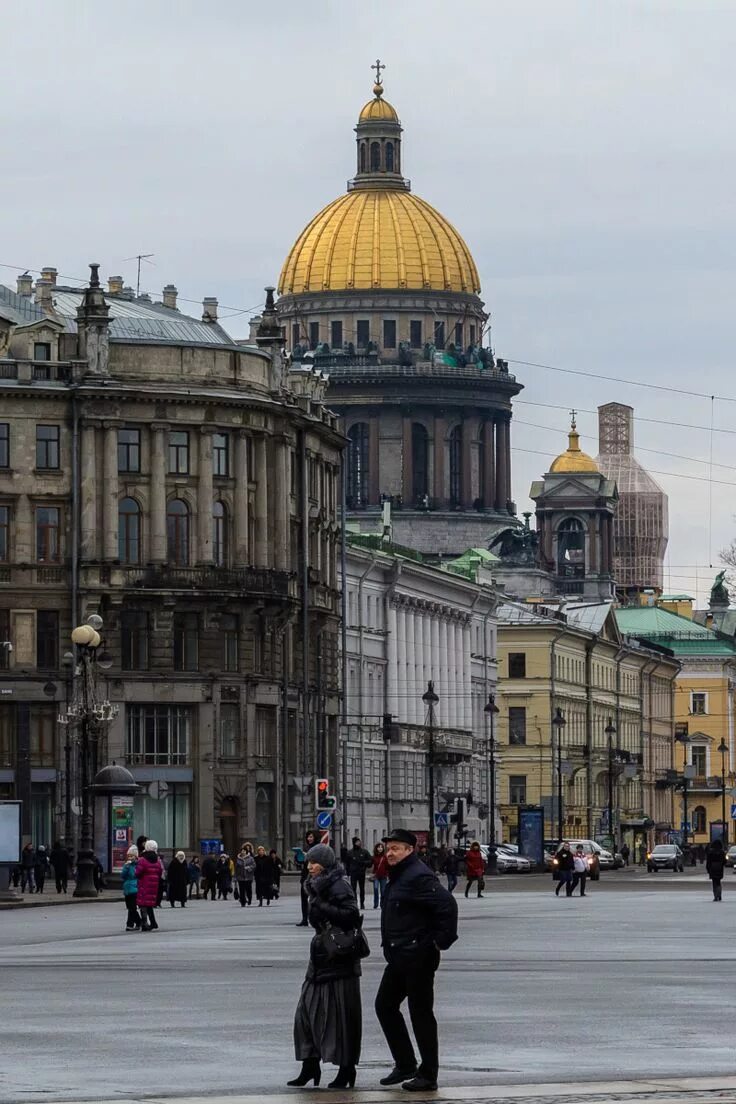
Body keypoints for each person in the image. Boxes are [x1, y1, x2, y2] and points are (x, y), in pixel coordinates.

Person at [375, 828, 458, 1093]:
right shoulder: (399, 876)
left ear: (410, 850)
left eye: (396, 848)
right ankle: (406, 1063)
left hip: (418, 957)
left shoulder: (418, 876)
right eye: (388, 848)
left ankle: (428, 1074)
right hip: (400, 955)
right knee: (385, 1006)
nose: (390, 853)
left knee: (420, 1014)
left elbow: (447, 906)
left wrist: (437, 942)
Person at [288, 843, 363, 1090]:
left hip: (339, 956)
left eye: (314, 862)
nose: (309, 867)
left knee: (341, 1016)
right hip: (321, 956)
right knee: (306, 1013)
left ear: (326, 864)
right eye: (308, 862)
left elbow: (352, 915)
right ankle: (310, 1065)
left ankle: (346, 1069)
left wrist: (321, 906)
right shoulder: (316, 886)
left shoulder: (339, 884)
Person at [136, 840, 164, 932]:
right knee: (149, 904)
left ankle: (144, 923)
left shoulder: (143, 860)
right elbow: (160, 871)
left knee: (143, 904)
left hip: (144, 884)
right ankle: (153, 922)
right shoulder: (157, 860)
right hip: (154, 885)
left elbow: (138, 873)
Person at [298, 830, 318, 926]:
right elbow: (300, 862)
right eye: (308, 837)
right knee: (303, 898)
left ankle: (315, 918)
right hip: (305, 875)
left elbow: (320, 860)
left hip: (315, 876)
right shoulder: (305, 847)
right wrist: (298, 857)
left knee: (315, 898)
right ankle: (304, 919)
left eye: (311, 836)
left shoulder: (318, 847)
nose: (309, 839)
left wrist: (308, 856)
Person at [348, 837, 371, 909]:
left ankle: (362, 903)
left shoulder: (364, 852)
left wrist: (364, 863)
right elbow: (347, 863)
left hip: (361, 872)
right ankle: (354, 903)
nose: (359, 843)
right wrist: (348, 871)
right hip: (353, 873)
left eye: (359, 841)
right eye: (357, 842)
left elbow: (370, 861)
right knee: (353, 889)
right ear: (354, 843)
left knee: (362, 888)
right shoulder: (350, 852)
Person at [121, 846, 141, 931]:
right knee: (130, 907)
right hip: (127, 888)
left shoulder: (138, 865)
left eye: (132, 856)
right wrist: (126, 867)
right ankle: (137, 922)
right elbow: (123, 876)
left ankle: (131, 924)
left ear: (136, 857)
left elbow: (137, 875)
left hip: (135, 888)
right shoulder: (127, 866)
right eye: (129, 856)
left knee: (132, 907)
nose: (130, 858)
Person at [372, 842, 388, 909]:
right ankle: (375, 903)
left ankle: (382, 903)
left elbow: (387, 866)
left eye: (381, 847)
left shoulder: (385, 857)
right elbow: (372, 866)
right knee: (375, 889)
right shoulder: (374, 857)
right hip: (376, 876)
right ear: (376, 848)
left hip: (383, 876)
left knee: (383, 891)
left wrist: (387, 873)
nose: (380, 848)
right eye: (379, 847)